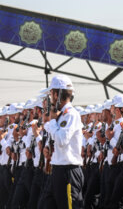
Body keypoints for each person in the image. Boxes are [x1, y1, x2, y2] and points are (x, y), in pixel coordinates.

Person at [38, 74, 84, 209]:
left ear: (57, 94)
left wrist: (50, 122)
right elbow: (57, 138)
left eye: (52, 93)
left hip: (68, 172)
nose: (51, 97)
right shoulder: (60, 114)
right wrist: (48, 147)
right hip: (57, 170)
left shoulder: (70, 114)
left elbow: (62, 140)